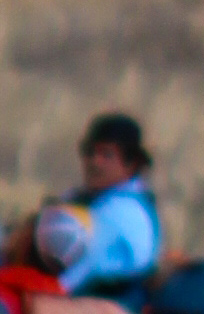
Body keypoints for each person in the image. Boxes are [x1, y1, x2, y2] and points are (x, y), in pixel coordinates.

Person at [55, 111, 164, 289]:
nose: (94, 162)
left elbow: (74, 277)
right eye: (90, 153)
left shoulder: (120, 212)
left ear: (131, 164)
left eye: (106, 155)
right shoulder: (91, 199)